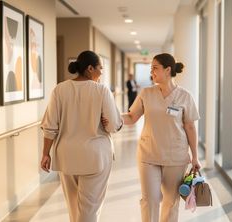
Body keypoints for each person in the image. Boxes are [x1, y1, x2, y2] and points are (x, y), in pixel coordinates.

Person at [40, 50, 123, 222]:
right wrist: (106, 121)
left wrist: (45, 153)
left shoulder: (59, 90)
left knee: (73, 207)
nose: (102, 72)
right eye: (100, 68)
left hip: (67, 155)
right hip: (95, 156)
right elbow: (114, 125)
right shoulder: (101, 90)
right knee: (89, 209)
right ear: (90, 68)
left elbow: (50, 126)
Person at [122, 53, 201, 222]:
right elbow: (131, 117)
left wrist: (195, 156)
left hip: (175, 157)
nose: (152, 72)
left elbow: (190, 126)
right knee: (149, 200)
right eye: (151, 69)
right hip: (148, 154)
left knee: (171, 202)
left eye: (155, 68)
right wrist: (112, 116)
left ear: (168, 70)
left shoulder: (185, 96)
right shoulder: (146, 93)